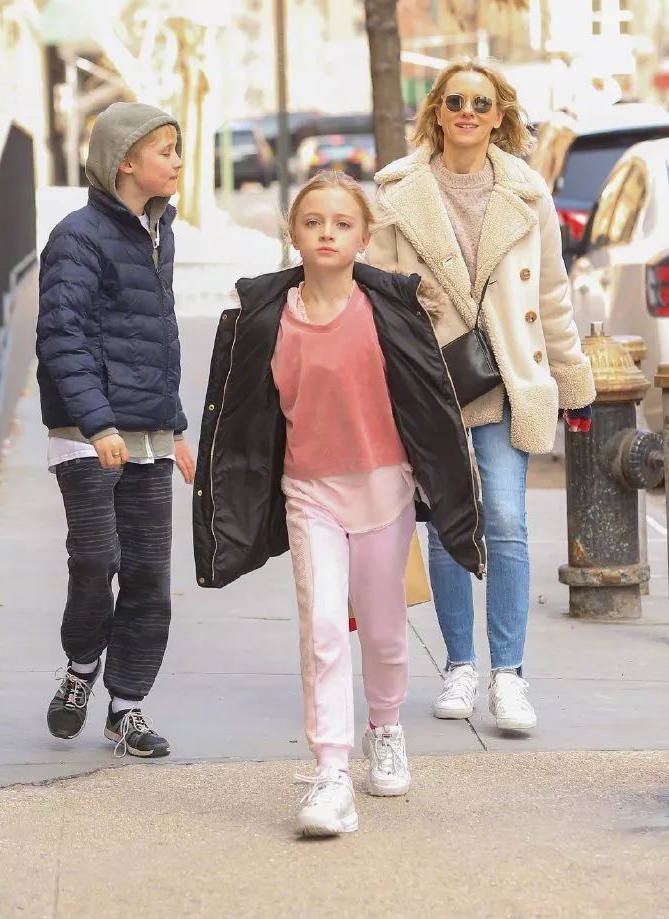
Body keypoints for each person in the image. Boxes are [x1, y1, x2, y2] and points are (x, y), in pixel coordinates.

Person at [193, 171, 485, 837]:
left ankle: (386, 727)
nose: (327, 232)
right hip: (309, 492)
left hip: (384, 489)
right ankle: (330, 772)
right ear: (292, 234)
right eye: (313, 221)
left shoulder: (390, 311)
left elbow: (433, 402)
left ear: (364, 237)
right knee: (323, 628)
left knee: (382, 630)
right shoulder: (265, 317)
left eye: (342, 223)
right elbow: (239, 415)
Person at [368, 59, 594, 732]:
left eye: (481, 103)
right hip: (432, 381)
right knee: (446, 522)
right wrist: (410, 295)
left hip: (505, 377)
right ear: (437, 112)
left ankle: (508, 675)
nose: (467, 111)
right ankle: (460, 665)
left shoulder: (527, 192)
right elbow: (373, 286)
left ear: (500, 117)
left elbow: (551, 293)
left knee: (506, 519)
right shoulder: (397, 190)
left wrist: (572, 375)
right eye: (456, 101)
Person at [36, 102, 196, 758]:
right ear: (125, 161)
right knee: (97, 559)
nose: (178, 161)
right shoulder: (77, 236)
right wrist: (99, 423)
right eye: (166, 150)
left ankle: (126, 707)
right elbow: (61, 334)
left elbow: (160, 338)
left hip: (148, 434)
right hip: (86, 432)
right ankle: (81, 667)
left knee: (151, 575)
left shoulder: (160, 233)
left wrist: (174, 427)